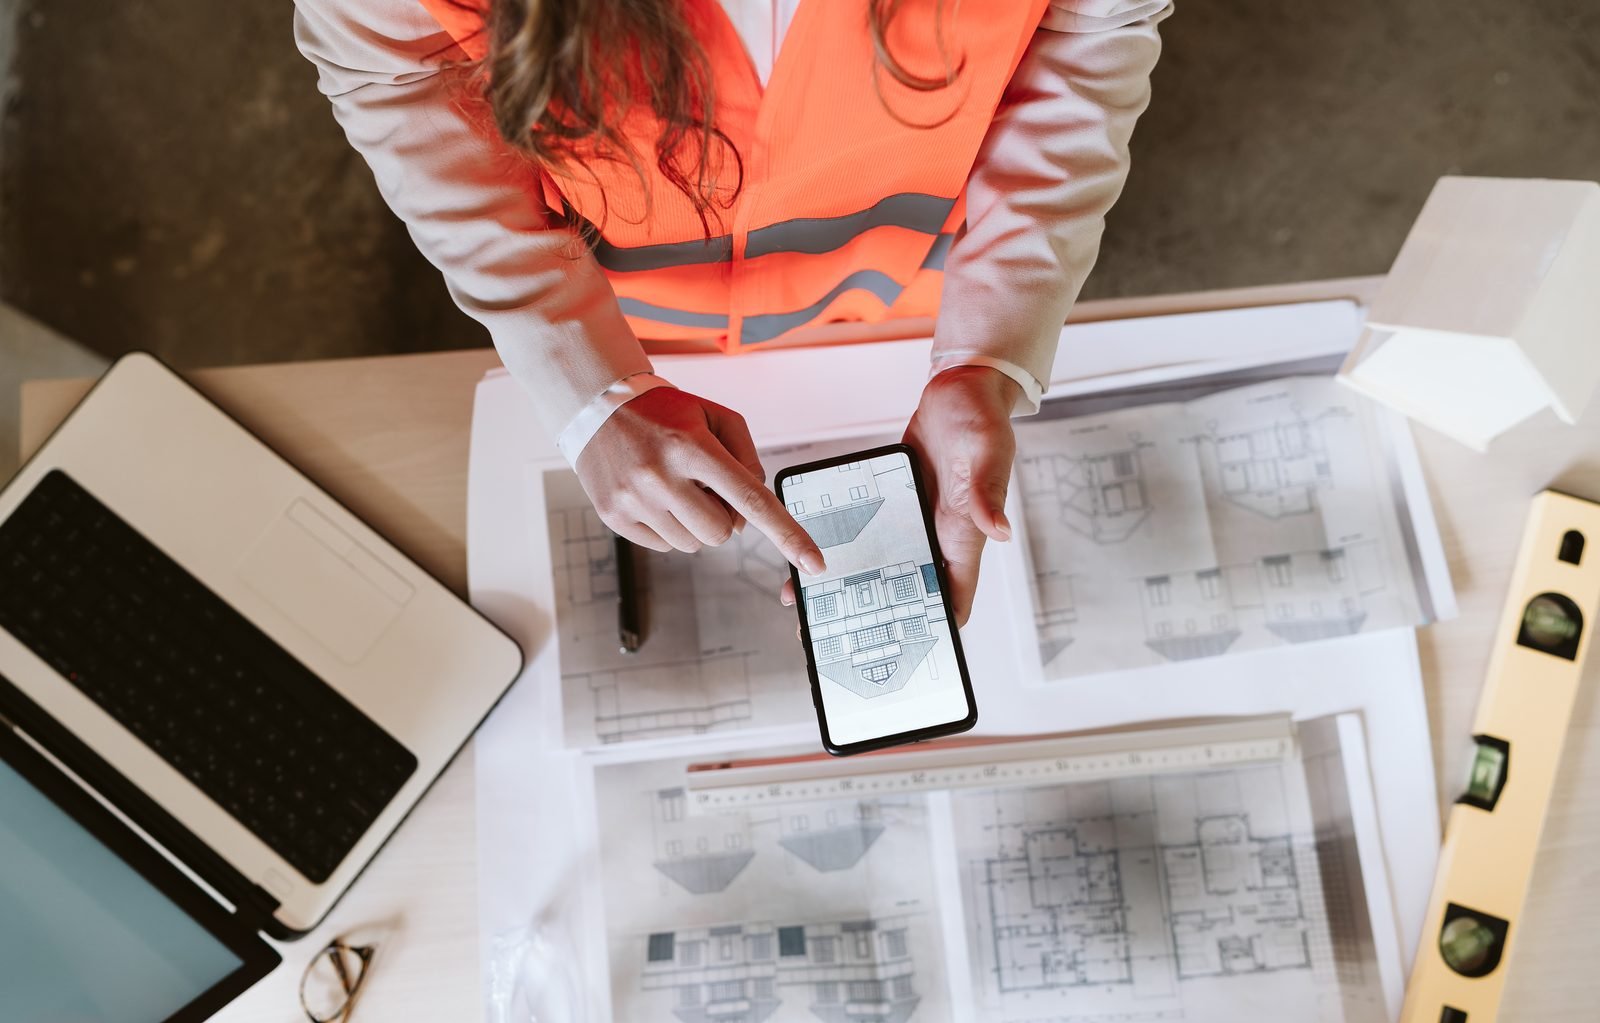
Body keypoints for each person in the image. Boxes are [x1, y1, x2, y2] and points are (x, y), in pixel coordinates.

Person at [294, 0, 1171, 625]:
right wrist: (586, 382)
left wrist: (988, 348)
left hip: (902, 289)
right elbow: (399, 71)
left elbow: (1090, 26)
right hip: (617, 307)